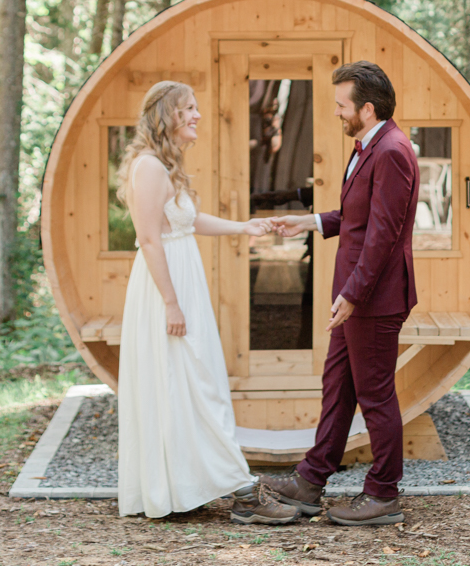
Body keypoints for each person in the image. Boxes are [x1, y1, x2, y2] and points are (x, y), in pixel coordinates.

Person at [117, 80, 300, 524]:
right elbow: (147, 238)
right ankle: (238, 490)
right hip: (166, 287)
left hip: (182, 279)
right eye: (190, 109)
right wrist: (171, 303)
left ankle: (191, 483)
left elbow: (188, 220)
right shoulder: (149, 167)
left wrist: (244, 228)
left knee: (195, 381)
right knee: (189, 380)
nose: (198, 115)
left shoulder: (165, 165)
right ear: (168, 115)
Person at [261, 61, 420, 526]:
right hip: (354, 297)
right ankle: (311, 481)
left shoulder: (392, 150)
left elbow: (383, 235)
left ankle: (383, 494)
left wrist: (352, 295)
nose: (336, 112)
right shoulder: (370, 145)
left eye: (341, 104)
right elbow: (357, 217)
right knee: (339, 388)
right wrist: (309, 221)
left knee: (374, 396)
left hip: (373, 297)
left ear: (367, 109)